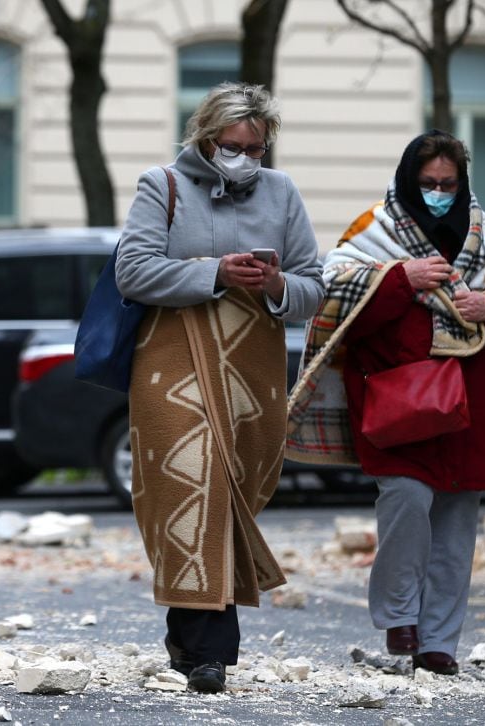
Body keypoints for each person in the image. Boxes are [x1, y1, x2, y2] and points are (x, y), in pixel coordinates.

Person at [287, 130, 485, 675]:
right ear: (409, 179)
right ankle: (399, 616)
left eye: (448, 184)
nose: (438, 192)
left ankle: (438, 644)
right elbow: (332, 297)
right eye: (427, 183)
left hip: (467, 409)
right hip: (394, 401)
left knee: (455, 527)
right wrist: (399, 279)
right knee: (405, 503)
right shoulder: (372, 229)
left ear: (463, 182)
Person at [114, 82, 324, 693]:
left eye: (255, 147)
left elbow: (314, 286)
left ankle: (187, 633)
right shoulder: (164, 186)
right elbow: (133, 270)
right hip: (171, 358)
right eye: (232, 145)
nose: (244, 156)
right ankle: (212, 653)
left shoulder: (282, 193)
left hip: (250, 369)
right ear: (205, 139)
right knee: (192, 481)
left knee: (228, 492)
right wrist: (215, 272)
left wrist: (276, 283)